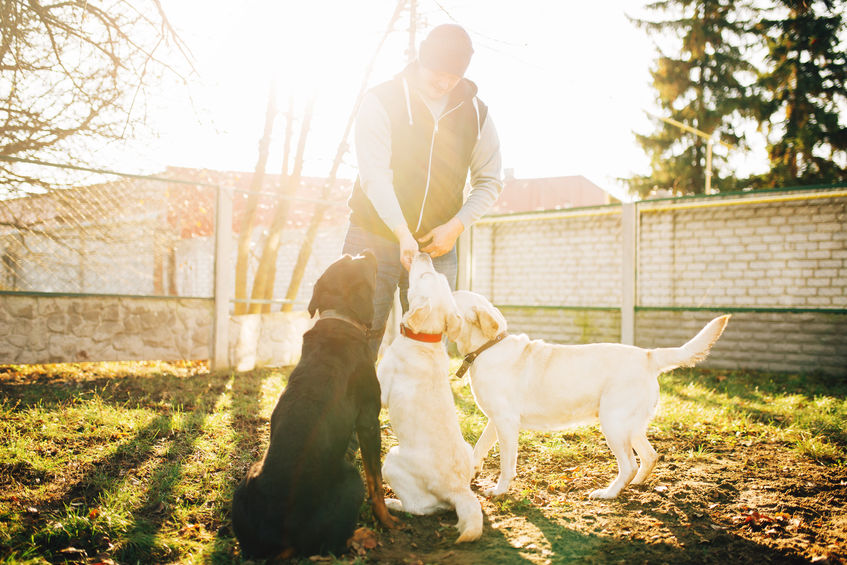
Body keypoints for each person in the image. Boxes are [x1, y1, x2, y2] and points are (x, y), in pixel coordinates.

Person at [343, 23, 503, 355]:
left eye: (453, 77)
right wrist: (402, 233)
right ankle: (349, 408)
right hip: (374, 236)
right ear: (421, 61)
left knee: (429, 347)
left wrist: (456, 227)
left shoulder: (476, 112)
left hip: (437, 246)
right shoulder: (382, 100)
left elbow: (489, 181)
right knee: (358, 337)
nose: (444, 83)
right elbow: (375, 175)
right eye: (437, 74)